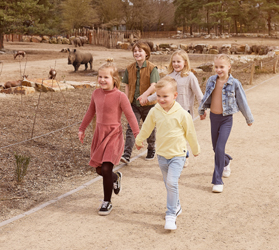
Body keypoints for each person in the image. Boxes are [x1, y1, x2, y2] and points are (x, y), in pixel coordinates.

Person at [135, 77, 200, 231]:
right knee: (168, 184)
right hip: (162, 155)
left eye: (165, 96)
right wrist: (139, 140)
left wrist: (195, 149)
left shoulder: (183, 114)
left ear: (175, 96)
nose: (161, 99)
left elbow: (190, 133)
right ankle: (177, 205)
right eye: (158, 96)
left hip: (178, 154)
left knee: (171, 182)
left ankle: (171, 214)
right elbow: (146, 128)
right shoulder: (154, 111)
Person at [79, 62, 141, 216]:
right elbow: (90, 112)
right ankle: (116, 177)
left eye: (106, 77)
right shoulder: (96, 94)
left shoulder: (121, 96)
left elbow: (130, 116)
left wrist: (137, 134)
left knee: (106, 168)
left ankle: (107, 201)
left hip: (113, 135)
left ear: (114, 79)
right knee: (100, 169)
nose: (102, 80)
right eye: (100, 77)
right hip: (100, 134)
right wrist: (82, 129)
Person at [198, 54, 254, 193]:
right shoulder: (211, 80)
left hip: (226, 120)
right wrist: (202, 110)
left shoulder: (235, 83)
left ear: (229, 67)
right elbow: (206, 97)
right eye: (216, 67)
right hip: (214, 118)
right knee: (215, 148)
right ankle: (226, 161)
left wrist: (249, 118)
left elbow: (242, 102)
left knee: (219, 147)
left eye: (221, 67)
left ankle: (217, 180)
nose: (218, 69)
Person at [144, 50, 203, 167]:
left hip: (185, 111)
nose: (176, 64)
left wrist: (202, 109)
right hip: (170, 112)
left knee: (182, 136)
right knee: (173, 135)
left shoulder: (190, 76)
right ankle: (172, 156)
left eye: (179, 61)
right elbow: (159, 92)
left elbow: (199, 94)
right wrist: (148, 98)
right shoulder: (168, 77)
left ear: (185, 62)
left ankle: (184, 156)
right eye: (174, 61)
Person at [121, 41, 160, 163]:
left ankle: (151, 148)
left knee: (149, 127)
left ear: (146, 54)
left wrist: (145, 95)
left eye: (140, 51)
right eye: (135, 51)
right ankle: (127, 154)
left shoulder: (152, 68)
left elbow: (154, 85)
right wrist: (126, 100)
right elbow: (126, 85)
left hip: (149, 105)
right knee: (131, 128)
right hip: (134, 105)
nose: (137, 53)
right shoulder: (129, 68)